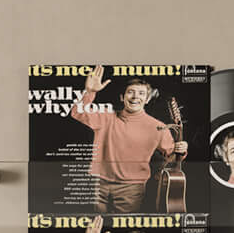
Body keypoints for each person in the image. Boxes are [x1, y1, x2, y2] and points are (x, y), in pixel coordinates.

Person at [68, 67, 189, 217]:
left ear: (147, 99)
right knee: (97, 224)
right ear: (122, 97)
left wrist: (181, 150)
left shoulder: (158, 127)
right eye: (130, 92)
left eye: (141, 93)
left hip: (132, 189)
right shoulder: (106, 117)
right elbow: (77, 113)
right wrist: (90, 91)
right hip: (98, 184)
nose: (135, 97)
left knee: (122, 228)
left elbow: (171, 157)